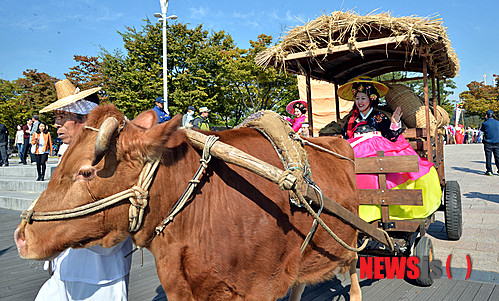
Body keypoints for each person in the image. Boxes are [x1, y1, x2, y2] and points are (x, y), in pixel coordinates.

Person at [34, 78, 133, 300]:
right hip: (64, 263)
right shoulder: (64, 154)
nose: (56, 125)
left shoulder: (109, 158)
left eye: (62, 118)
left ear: (84, 120)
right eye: (56, 118)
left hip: (100, 270)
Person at [337, 76, 442, 222]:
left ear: (371, 99)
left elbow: (391, 136)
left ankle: (388, 204)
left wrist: (394, 123)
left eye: (363, 98)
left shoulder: (379, 116)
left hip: (376, 148)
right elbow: (345, 137)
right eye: (358, 98)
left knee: (386, 170)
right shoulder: (351, 119)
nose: (360, 102)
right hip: (355, 149)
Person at [480, 110, 499, 176]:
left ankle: (489, 171)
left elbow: (482, 130)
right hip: (497, 142)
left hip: (488, 143)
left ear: (486, 115)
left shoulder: (485, 123)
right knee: (497, 157)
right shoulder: (498, 122)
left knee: (488, 157)